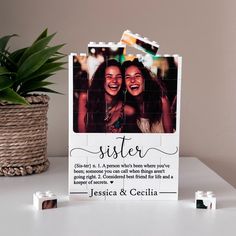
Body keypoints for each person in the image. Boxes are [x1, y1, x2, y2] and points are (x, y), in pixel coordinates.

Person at [78, 59, 138, 133]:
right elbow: (82, 136)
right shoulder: (86, 98)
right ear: (101, 79)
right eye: (109, 76)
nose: (114, 81)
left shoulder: (128, 111)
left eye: (118, 77)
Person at [122, 59, 173, 133]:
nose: (132, 80)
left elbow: (170, 137)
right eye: (127, 77)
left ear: (144, 79)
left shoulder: (162, 101)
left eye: (137, 76)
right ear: (125, 85)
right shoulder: (125, 107)